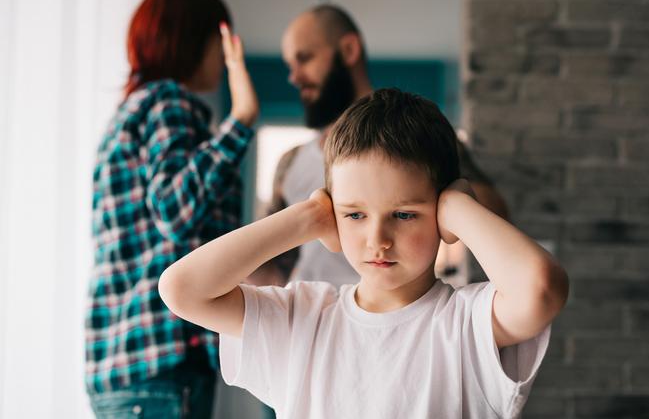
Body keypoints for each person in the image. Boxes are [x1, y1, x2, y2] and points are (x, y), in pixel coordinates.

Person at [158, 88, 569, 418]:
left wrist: (459, 207)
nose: (378, 239)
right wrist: (305, 217)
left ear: (442, 214)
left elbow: (541, 288)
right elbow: (181, 289)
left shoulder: (466, 323)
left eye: (404, 214)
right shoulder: (303, 318)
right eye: (354, 214)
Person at [85, 0, 259, 418]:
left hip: (124, 365)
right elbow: (174, 210)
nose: (224, 57)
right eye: (220, 39)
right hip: (161, 359)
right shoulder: (167, 103)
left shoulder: (129, 114)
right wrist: (241, 119)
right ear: (193, 39)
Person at [251, 4, 508, 288]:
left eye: (305, 59)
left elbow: (494, 212)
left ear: (348, 50)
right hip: (313, 320)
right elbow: (270, 268)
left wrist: (445, 203)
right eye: (291, 65)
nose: (294, 77)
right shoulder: (291, 162)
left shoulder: (415, 137)